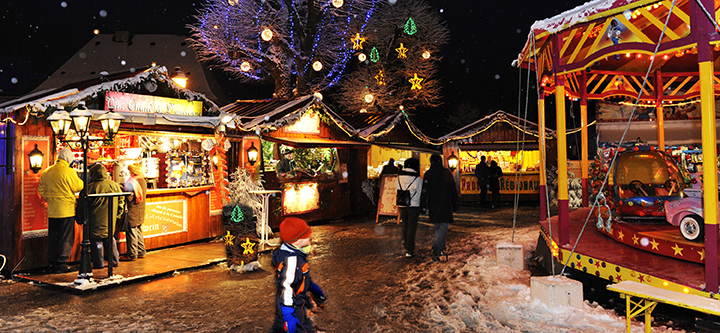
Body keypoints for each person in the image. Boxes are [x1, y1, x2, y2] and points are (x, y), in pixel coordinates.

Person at [271, 217, 326, 333]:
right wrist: (288, 313)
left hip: (296, 300)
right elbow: (287, 287)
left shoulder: (295, 254)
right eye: (307, 237)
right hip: (292, 305)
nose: (310, 239)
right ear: (297, 241)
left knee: (282, 327)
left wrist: (315, 289)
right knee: (302, 327)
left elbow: (302, 278)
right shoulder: (291, 260)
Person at [38, 148, 84, 274]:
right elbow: (78, 186)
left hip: (52, 210)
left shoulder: (47, 171)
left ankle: (52, 262)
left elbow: (41, 189)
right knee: (66, 238)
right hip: (66, 210)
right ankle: (61, 264)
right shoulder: (69, 171)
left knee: (53, 237)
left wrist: (50, 199)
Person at [77, 164, 125, 269]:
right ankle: (114, 261)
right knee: (110, 239)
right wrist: (118, 215)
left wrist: (79, 218)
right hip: (110, 219)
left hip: (94, 221)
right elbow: (121, 202)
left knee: (96, 242)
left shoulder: (88, 188)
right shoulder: (115, 186)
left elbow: (81, 206)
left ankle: (99, 264)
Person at [420, 153, 459, 262]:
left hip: (434, 204)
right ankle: (437, 248)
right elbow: (453, 191)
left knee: (439, 227)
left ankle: (441, 248)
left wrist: (423, 206)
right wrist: (455, 204)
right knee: (444, 227)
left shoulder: (429, 174)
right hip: (445, 204)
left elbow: (424, 192)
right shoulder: (446, 173)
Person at [120, 163, 147, 261]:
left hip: (133, 210)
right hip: (140, 209)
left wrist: (122, 188)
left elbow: (129, 197)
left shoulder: (132, 182)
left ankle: (132, 254)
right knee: (138, 230)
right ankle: (141, 251)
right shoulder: (142, 180)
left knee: (132, 232)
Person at [396, 158, 422, 257]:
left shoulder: (398, 177)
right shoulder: (417, 179)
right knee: (411, 227)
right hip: (414, 206)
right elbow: (420, 192)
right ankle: (409, 249)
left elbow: (397, 189)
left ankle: (406, 244)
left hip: (402, 205)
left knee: (405, 225)